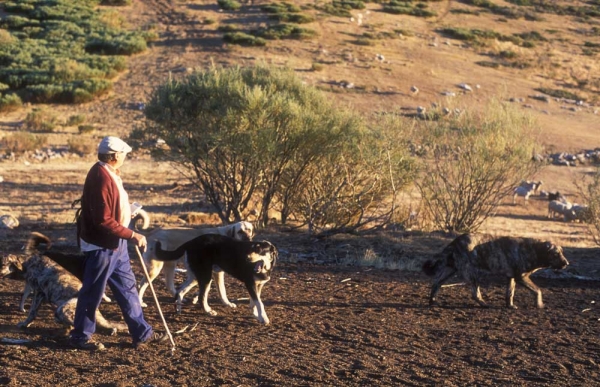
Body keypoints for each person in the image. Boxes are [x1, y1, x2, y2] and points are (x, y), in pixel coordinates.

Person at [70, 136, 166, 351]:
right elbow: (103, 219)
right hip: (102, 246)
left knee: (127, 289)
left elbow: (109, 211)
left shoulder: (108, 173)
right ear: (114, 156)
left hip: (116, 244)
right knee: (92, 292)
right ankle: (80, 337)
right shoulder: (100, 177)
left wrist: (127, 215)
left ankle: (142, 333)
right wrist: (133, 234)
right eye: (123, 154)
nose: (125, 157)